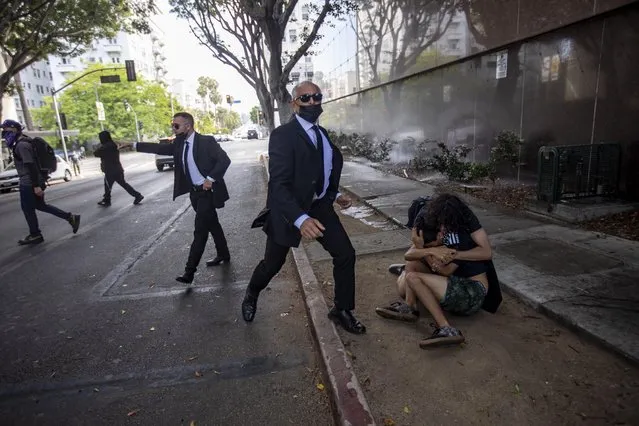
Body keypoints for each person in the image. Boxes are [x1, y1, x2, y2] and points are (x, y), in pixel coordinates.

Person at [242, 81, 366, 335]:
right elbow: (279, 184)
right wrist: (300, 218)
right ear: (294, 103)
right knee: (272, 265)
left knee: (345, 254)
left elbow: (320, 169)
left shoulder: (322, 134)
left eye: (316, 97)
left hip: (320, 207)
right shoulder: (283, 135)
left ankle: (342, 309)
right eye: (306, 98)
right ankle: (252, 292)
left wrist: (335, 194)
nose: (312, 102)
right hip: (289, 212)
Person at [377, 193, 502, 348]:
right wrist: (428, 251)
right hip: (452, 278)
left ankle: (447, 329)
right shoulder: (426, 218)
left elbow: (447, 270)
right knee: (408, 277)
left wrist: (439, 254)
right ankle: (409, 306)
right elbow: (409, 254)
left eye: (445, 227)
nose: (443, 229)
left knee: (413, 278)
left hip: (471, 289)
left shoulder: (459, 236)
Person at [132, 112, 231, 283]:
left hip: (207, 193)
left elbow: (224, 160)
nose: (173, 128)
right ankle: (224, 254)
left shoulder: (206, 142)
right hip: (195, 194)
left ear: (188, 126)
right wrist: (133, 144)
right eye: (173, 125)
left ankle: (189, 272)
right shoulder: (179, 143)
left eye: (176, 125)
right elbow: (160, 149)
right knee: (212, 224)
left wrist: (211, 179)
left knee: (200, 231)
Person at [1, 119, 81, 245]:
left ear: (14, 129)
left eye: (6, 130)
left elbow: (30, 165)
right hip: (33, 181)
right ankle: (70, 218)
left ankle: (35, 234)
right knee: (40, 206)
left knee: (27, 209)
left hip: (29, 183)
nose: (4, 133)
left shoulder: (22, 145)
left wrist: (36, 186)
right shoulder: (25, 142)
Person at [94, 130, 143, 207]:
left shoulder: (105, 147)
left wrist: (99, 147)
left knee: (108, 186)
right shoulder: (113, 145)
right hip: (117, 169)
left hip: (110, 171)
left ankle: (107, 200)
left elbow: (96, 153)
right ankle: (137, 195)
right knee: (123, 184)